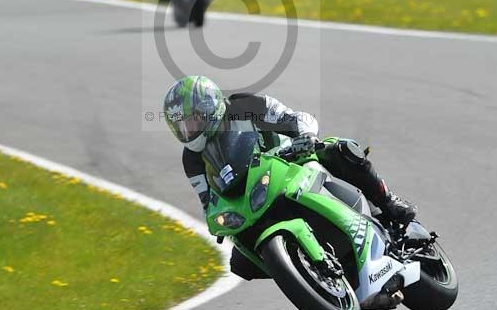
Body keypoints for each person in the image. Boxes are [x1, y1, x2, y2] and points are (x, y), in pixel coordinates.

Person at [163, 75, 417, 220]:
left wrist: (305, 136)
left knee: (341, 150)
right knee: (239, 264)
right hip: (255, 195)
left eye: (191, 120)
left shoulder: (243, 105)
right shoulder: (192, 159)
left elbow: (295, 118)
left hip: (295, 161)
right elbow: (209, 203)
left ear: (209, 106)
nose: (188, 131)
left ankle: (386, 200)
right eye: (181, 126)